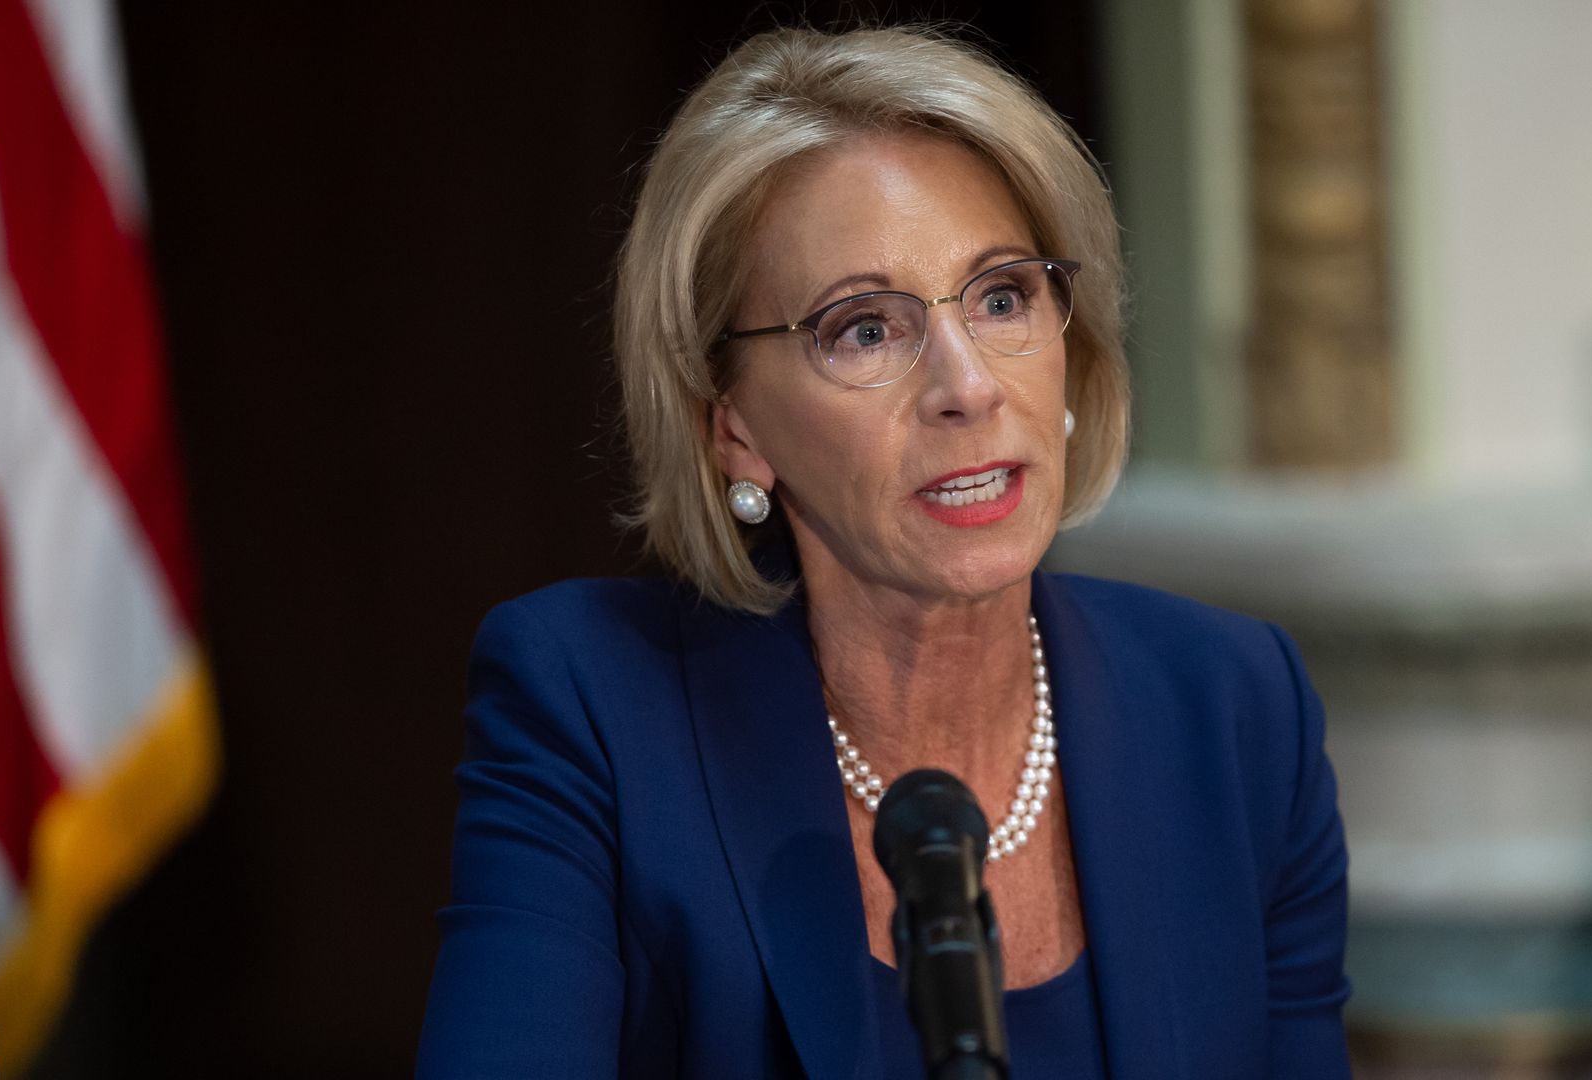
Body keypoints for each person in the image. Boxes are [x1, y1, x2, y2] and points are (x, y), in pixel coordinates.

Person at [416, 24, 1350, 1079]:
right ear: (735, 427)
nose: (968, 386)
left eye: (1003, 298)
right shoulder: (594, 709)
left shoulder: (1234, 710)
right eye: (865, 329)